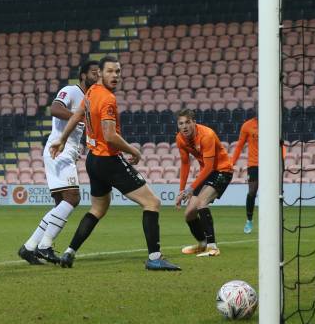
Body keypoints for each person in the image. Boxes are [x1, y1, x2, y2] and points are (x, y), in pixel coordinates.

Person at [50, 55, 179, 271]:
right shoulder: (107, 99)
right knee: (152, 203)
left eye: (118, 71)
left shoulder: (91, 92)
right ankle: (155, 258)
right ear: (100, 73)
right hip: (108, 159)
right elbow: (110, 136)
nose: (115, 75)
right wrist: (134, 150)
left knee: (98, 208)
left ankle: (69, 252)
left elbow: (77, 115)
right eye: (110, 71)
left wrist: (62, 139)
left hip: (93, 160)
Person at [18, 61, 99, 265]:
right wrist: (77, 118)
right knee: (73, 198)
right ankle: (44, 246)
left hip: (66, 152)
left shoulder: (89, 98)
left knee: (61, 203)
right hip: (58, 150)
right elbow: (55, 108)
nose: (97, 76)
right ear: (82, 75)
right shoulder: (71, 90)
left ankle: (29, 247)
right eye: (93, 72)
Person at [176, 109, 233, 257]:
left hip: (222, 171)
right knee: (189, 213)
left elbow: (209, 167)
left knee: (202, 202)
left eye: (188, 122)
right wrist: (182, 191)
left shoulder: (206, 135)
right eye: (181, 123)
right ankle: (202, 244)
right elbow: (185, 164)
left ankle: (213, 247)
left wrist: (191, 188)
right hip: (206, 174)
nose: (184, 126)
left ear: (194, 122)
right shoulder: (180, 139)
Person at [231, 116, 258, 234]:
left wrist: (281, 160)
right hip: (254, 164)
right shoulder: (247, 125)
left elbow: (280, 143)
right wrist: (231, 162)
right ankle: (249, 220)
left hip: (270, 164)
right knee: (252, 191)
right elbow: (239, 146)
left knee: (272, 194)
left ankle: (273, 221)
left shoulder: (273, 122)